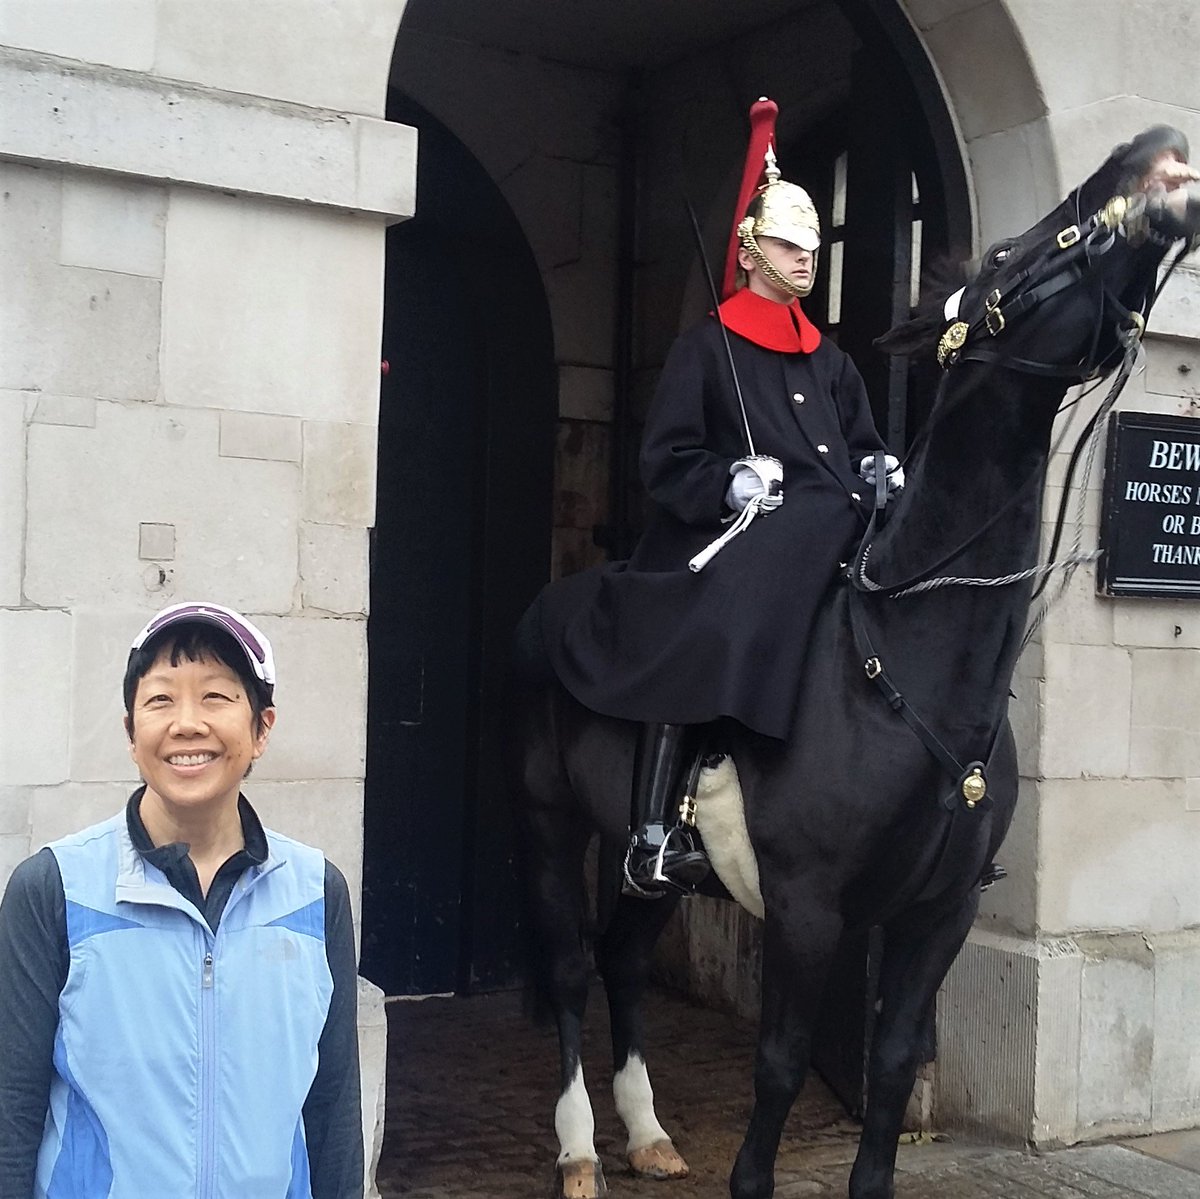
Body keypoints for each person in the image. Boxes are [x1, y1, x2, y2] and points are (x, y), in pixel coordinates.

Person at [539, 99, 902, 897]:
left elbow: (862, 443)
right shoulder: (707, 351)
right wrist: (729, 479)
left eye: (811, 244)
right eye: (787, 242)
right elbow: (665, 459)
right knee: (721, 615)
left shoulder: (830, 362)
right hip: (730, 534)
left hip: (830, 528)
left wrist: (881, 469)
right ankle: (656, 829)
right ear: (748, 247)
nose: (805, 257)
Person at [0, 601, 363, 1199]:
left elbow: (332, 1109)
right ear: (130, 733)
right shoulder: (54, 890)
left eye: (217, 697)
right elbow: (13, 1105)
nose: (187, 723)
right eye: (161, 699)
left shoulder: (315, 892)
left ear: (262, 728)